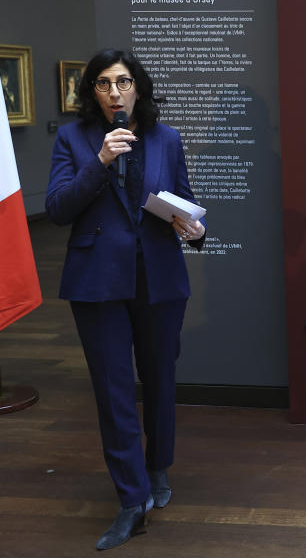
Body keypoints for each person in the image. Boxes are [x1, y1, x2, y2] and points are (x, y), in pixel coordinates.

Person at [46, 49, 205, 550]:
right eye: (103, 84)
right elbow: (57, 208)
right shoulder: (74, 139)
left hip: (158, 278)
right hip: (97, 282)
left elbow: (183, 201)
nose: (114, 91)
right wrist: (100, 161)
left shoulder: (167, 138)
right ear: (92, 92)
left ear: (138, 87)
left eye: (122, 81)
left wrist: (195, 228)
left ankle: (158, 470)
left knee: (159, 379)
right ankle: (131, 501)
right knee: (114, 391)